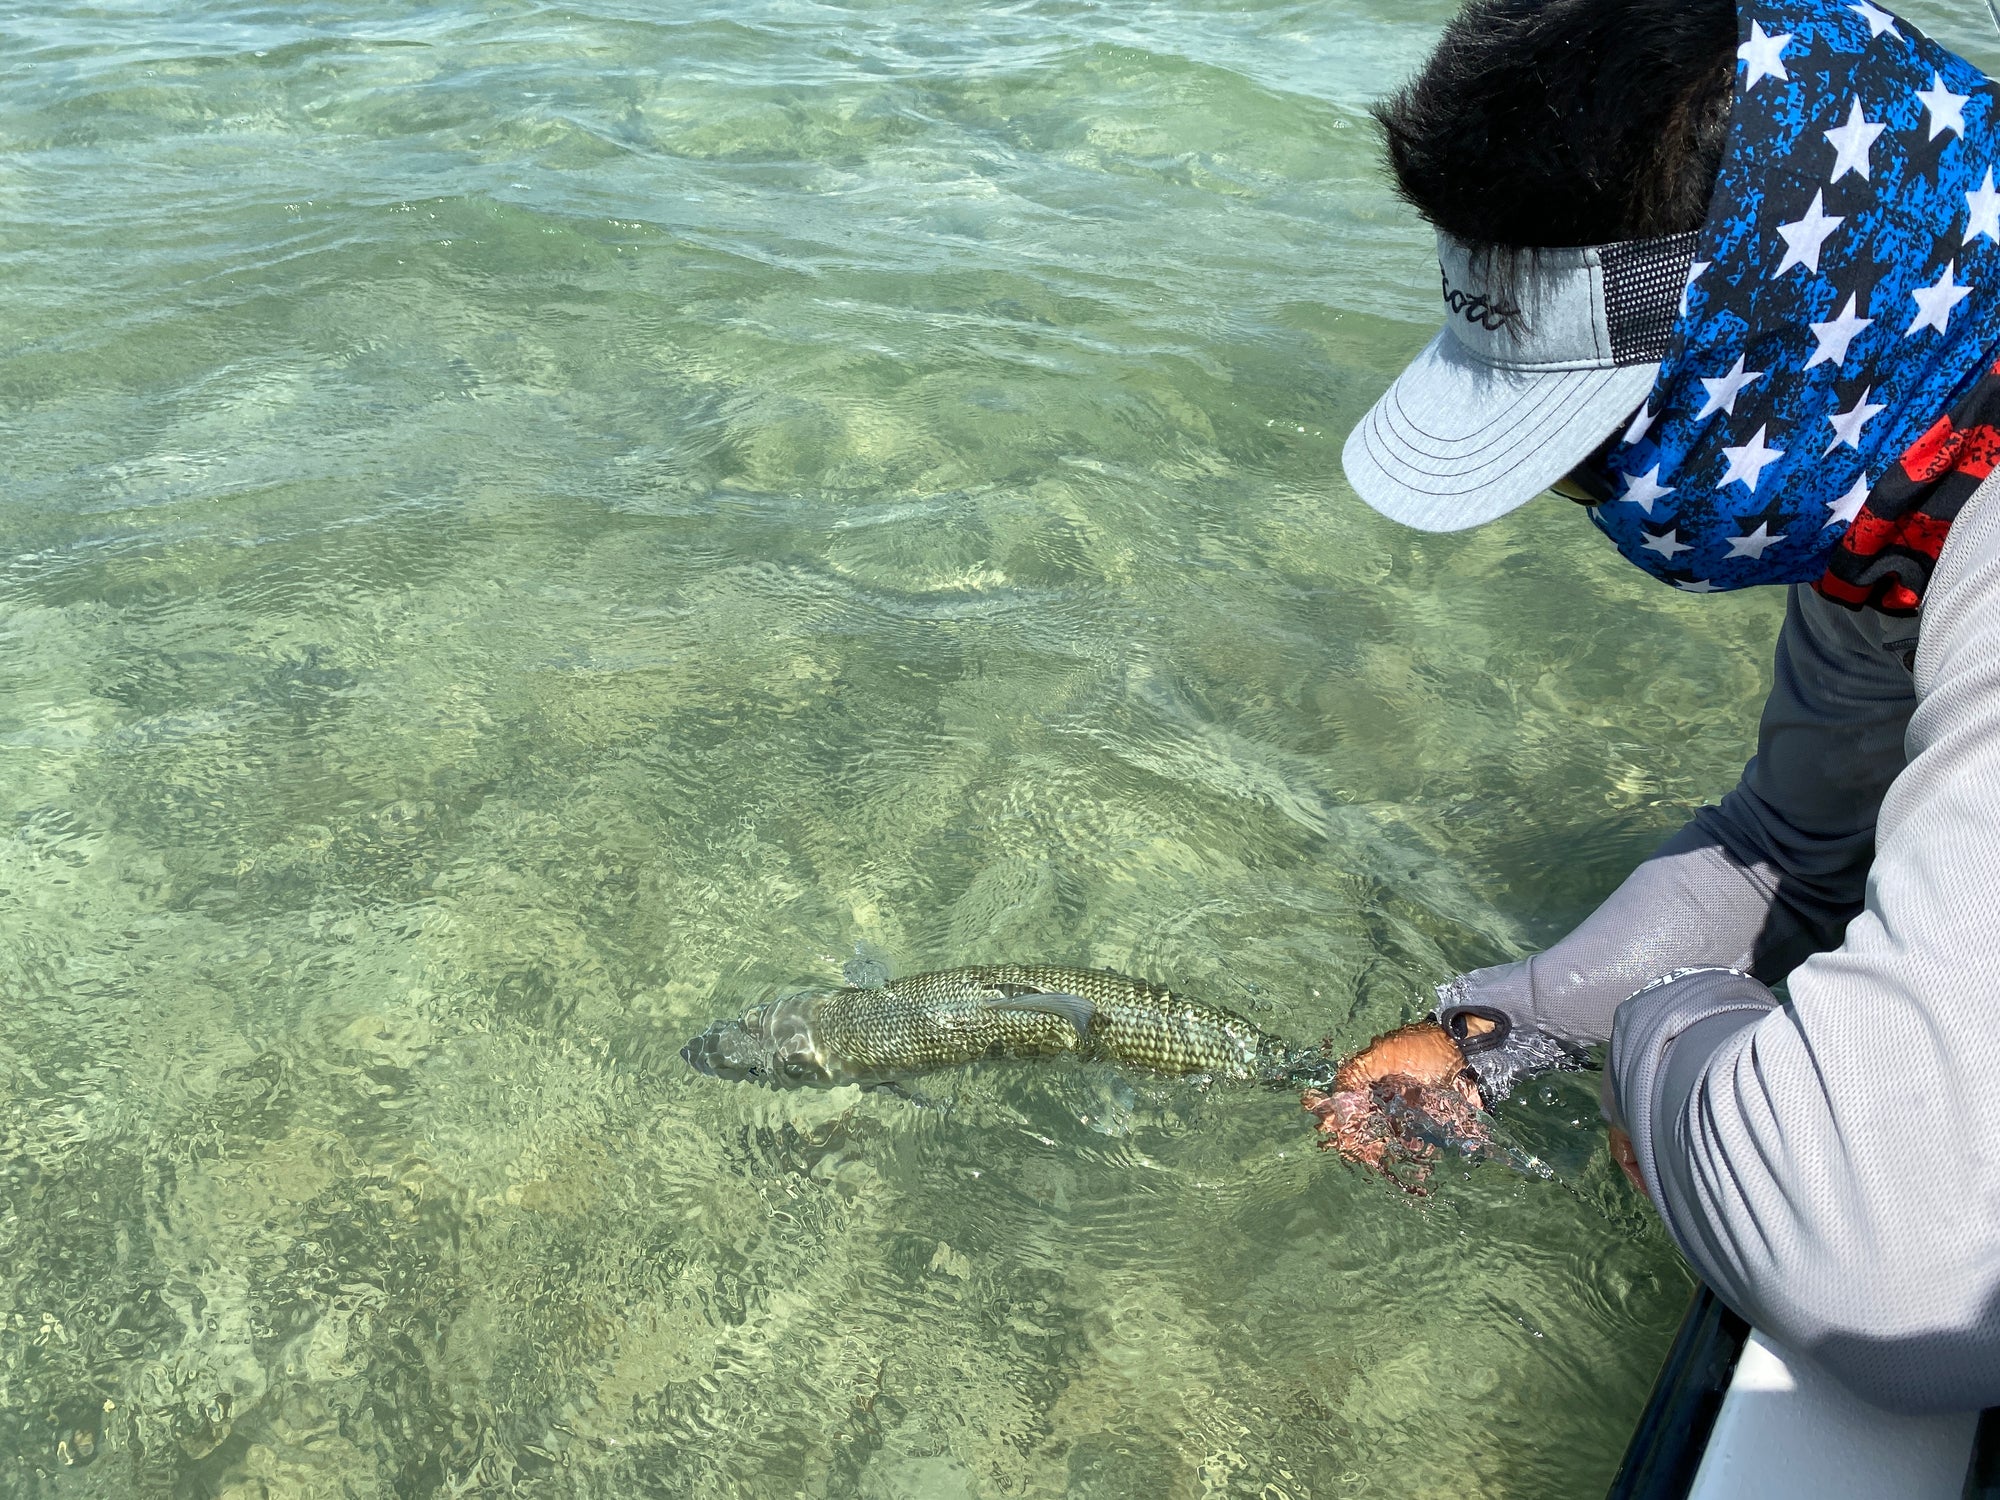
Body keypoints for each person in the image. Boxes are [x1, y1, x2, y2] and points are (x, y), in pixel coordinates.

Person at [1335, 0, 2000, 1413]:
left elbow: (1895, 1273)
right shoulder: (1904, 470)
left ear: (1777, 333)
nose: (1590, 501)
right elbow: (1787, 852)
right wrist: (1482, 1030)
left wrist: (1658, 1044)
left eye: (1596, 444)